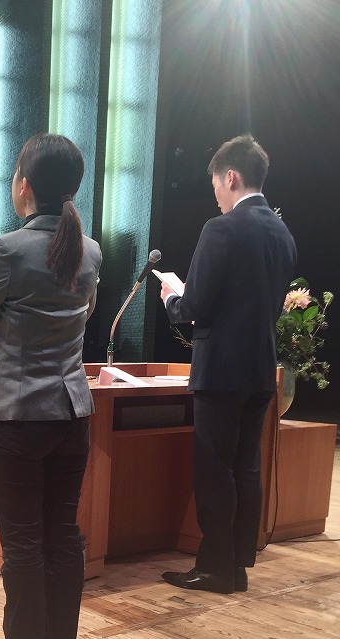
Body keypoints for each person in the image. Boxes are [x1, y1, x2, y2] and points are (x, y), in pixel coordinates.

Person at [0, 133, 102, 639]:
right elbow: (83, 315)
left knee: (22, 540)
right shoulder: (90, 251)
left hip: (17, 417)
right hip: (72, 414)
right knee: (62, 531)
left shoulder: (6, 251)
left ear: (25, 185)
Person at [159, 134, 296, 594]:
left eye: (216, 184)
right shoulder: (282, 233)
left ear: (231, 177)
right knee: (246, 467)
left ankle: (215, 569)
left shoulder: (221, 229)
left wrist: (172, 296)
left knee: (215, 469)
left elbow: (195, 306)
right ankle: (236, 565)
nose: (216, 194)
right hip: (260, 370)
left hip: (220, 370)